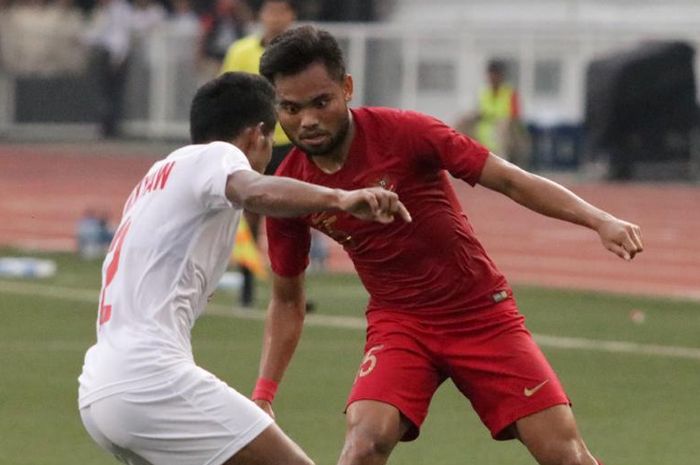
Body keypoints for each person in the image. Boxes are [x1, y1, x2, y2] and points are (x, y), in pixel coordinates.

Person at [253, 25, 644, 465]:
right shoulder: (289, 190)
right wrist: (264, 395)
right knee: (363, 444)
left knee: (564, 455)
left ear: (346, 88)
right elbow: (287, 300)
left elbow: (512, 180)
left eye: (320, 102)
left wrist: (600, 220)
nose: (307, 120)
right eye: (290, 107)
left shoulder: (406, 133)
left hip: (480, 312)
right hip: (400, 323)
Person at [77, 71, 410, 465]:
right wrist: (339, 197)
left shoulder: (156, 177)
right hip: (148, 379)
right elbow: (252, 190)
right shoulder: (219, 156)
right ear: (257, 135)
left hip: (99, 388)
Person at [220, 0, 300, 307]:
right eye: (270, 11)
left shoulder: (301, 54)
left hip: (290, 143)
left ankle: (292, 291)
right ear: (261, 15)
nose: (275, 18)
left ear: (291, 16)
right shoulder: (241, 52)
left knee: (294, 218)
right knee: (250, 216)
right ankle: (247, 287)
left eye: (282, 11)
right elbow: (226, 94)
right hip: (253, 146)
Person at [463, 59, 530, 167]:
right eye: (491, 74)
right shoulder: (483, 93)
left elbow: (515, 119)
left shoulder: (510, 93)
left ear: (502, 76)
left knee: (503, 127)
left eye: (496, 74)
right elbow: (478, 113)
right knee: (463, 120)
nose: (493, 77)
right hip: (483, 136)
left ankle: (506, 162)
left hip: (504, 137)